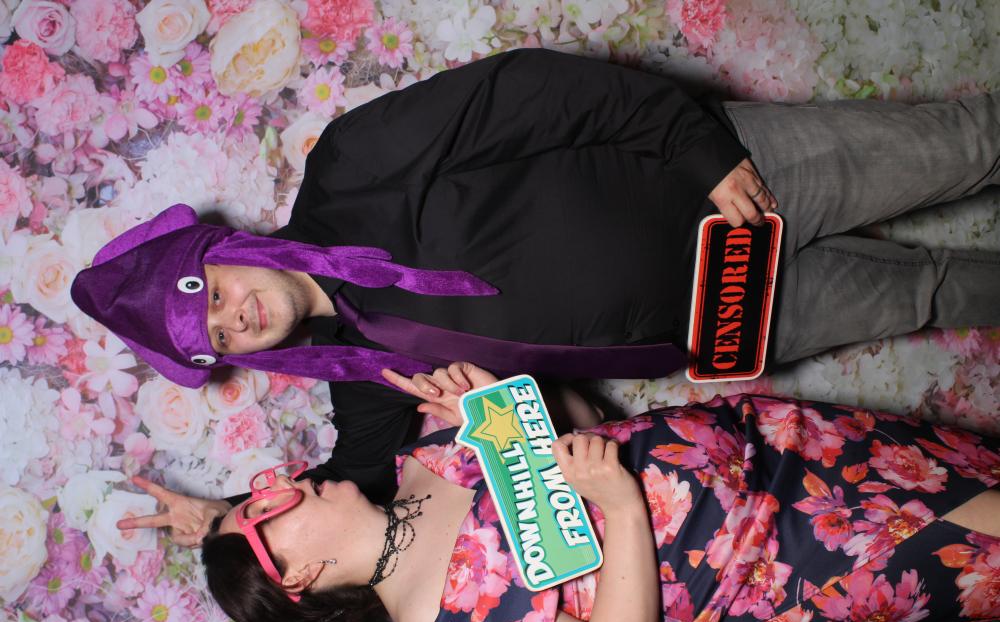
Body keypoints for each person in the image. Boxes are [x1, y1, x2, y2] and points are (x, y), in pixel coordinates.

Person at [72, 48, 1000, 504]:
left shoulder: (351, 167)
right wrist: (226, 518)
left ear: (217, 248)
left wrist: (699, 150)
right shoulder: (365, 373)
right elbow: (352, 488)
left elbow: (540, 94)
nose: (235, 319)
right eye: (216, 339)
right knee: (935, 292)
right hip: (738, 317)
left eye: (211, 296)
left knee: (966, 145)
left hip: (734, 176)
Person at [135, 362, 1000, 622]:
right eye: (268, 512)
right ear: (300, 575)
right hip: (788, 561)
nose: (287, 483)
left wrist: (513, 405)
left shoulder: (421, 457)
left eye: (266, 486)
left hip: (779, 439)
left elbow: (588, 423)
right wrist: (620, 509)